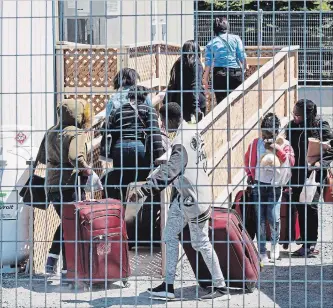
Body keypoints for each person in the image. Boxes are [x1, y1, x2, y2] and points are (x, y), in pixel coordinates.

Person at [129, 102, 230, 301]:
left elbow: (172, 169)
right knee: (169, 235)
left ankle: (221, 287)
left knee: (200, 242)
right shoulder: (191, 131)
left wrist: (144, 190)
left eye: (164, 120)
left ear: (173, 119)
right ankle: (168, 285)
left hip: (194, 199)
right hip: (188, 196)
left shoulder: (181, 142)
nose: (162, 125)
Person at [42, 99, 93, 278]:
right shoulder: (76, 133)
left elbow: (42, 156)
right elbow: (75, 157)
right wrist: (87, 169)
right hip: (68, 185)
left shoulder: (51, 132)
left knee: (66, 223)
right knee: (71, 226)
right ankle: (67, 270)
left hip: (52, 185)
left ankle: (52, 261)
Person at [245, 113, 295, 263]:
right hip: (258, 185)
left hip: (275, 186)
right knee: (260, 218)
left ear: (276, 131)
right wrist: (249, 174)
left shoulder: (284, 144)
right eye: (263, 133)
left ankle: (274, 245)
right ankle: (261, 250)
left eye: (269, 134)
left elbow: (290, 161)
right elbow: (247, 159)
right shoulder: (255, 143)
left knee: (273, 216)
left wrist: (276, 149)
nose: (265, 137)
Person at [286, 99, 333, 257]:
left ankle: (311, 244)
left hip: (314, 175)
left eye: (298, 115)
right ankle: (305, 241)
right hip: (296, 174)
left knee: (311, 207)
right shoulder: (292, 126)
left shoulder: (321, 127)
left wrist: (321, 163)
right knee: (299, 206)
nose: (295, 117)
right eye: (294, 114)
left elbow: (331, 150)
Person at [102, 85, 164, 201]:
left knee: (122, 184)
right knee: (140, 183)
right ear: (144, 97)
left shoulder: (118, 111)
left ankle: (122, 213)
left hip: (119, 150)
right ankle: (137, 214)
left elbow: (108, 130)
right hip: (138, 148)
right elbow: (154, 133)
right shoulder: (148, 109)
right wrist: (159, 156)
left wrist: (110, 153)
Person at [203, 17, 247, 104]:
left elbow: (208, 63)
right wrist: (244, 69)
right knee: (237, 103)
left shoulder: (211, 43)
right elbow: (242, 56)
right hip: (236, 74)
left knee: (221, 104)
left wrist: (205, 79)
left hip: (219, 76)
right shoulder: (236, 38)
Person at [163, 40, 206, 123]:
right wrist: (196, 106)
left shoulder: (178, 62)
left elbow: (172, 83)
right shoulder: (196, 63)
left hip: (180, 101)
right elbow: (195, 84)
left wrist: (167, 100)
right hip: (195, 100)